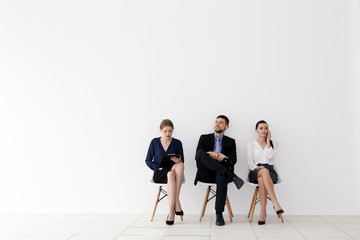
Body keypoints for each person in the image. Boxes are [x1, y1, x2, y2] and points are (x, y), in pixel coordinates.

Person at [194, 115, 244, 226]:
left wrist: (224, 157)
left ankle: (219, 213)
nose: (217, 124)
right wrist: (209, 153)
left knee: (222, 177)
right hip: (205, 173)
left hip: (219, 173)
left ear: (227, 126)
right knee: (201, 153)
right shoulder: (204, 138)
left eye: (221, 122)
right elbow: (197, 156)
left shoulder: (231, 142)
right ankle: (231, 175)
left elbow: (233, 160)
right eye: (216, 121)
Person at [145, 119, 185, 225]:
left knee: (180, 165)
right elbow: (147, 160)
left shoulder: (177, 143)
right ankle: (175, 206)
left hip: (173, 170)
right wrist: (156, 167)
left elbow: (182, 159)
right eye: (165, 131)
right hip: (160, 172)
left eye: (170, 131)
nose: (168, 133)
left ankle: (171, 212)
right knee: (171, 174)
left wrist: (177, 160)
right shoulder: (154, 142)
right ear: (160, 130)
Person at [247, 120, 284, 225]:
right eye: (261, 128)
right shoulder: (251, 145)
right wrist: (258, 168)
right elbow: (250, 163)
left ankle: (263, 212)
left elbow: (269, 158)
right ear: (256, 130)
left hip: (270, 171)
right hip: (255, 170)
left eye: (266, 128)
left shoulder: (274, 144)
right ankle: (275, 203)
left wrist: (268, 142)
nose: (264, 130)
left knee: (262, 179)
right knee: (262, 172)